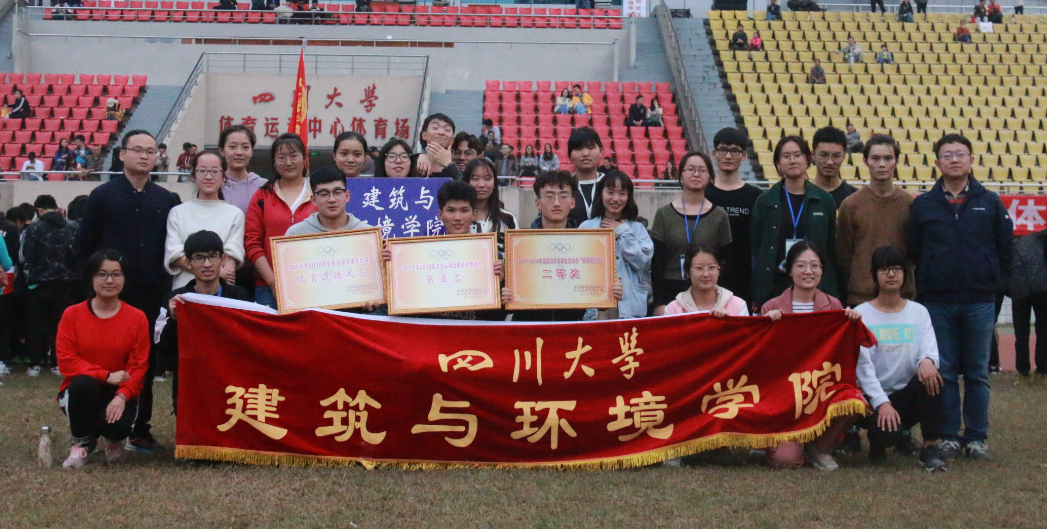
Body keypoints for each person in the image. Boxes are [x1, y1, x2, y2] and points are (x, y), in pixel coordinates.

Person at [907, 133, 1013, 461]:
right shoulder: (924, 204)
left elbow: (1004, 248)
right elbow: (914, 250)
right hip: (937, 302)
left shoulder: (990, 202)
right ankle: (950, 436)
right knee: (947, 371)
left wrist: (992, 284)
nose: (954, 159)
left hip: (979, 300)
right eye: (948, 154)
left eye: (960, 154)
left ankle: (977, 437)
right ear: (937, 163)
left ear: (971, 160)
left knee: (978, 372)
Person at [75, 130, 177, 453]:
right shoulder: (102, 196)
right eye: (138, 150)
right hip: (108, 295)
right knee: (101, 359)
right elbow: (84, 247)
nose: (145, 156)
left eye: (151, 151)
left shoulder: (166, 199)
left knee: (143, 364)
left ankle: (138, 429)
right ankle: (92, 429)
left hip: (149, 295)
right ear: (122, 155)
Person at [760, 241, 862, 471]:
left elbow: (843, 354)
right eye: (801, 265)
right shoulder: (771, 307)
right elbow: (760, 362)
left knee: (854, 400)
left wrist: (851, 323)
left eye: (815, 266)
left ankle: (819, 448)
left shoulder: (834, 306)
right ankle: (789, 444)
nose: (808, 271)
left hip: (820, 389)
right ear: (789, 270)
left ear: (822, 270)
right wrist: (766, 328)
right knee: (787, 461)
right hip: (784, 396)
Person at [855, 245, 947, 472]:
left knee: (933, 380)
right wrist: (882, 403)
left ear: (905, 274)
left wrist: (927, 361)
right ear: (874, 274)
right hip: (873, 399)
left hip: (907, 395)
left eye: (897, 269)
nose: (891, 274)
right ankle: (878, 442)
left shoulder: (918, 312)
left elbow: (929, 350)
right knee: (887, 434)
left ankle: (930, 447)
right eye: (884, 269)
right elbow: (863, 369)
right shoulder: (861, 314)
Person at [56, 250, 150, 469]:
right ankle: (81, 443)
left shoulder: (137, 317)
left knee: (117, 426)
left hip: (119, 390)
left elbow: (138, 366)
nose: (109, 281)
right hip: (83, 390)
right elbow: (66, 360)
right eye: (102, 274)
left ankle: (113, 439)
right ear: (91, 277)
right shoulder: (72, 314)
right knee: (83, 385)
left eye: (116, 274)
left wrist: (122, 396)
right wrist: (105, 375)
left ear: (124, 278)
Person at [156, 231, 252, 414]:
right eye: (199, 258)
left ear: (222, 259)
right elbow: (163, 352)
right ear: (188, 263)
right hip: (191, 382)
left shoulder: (240, 297)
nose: (207, 264)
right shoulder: (176, 299)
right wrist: (173, 320)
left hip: (233, 381)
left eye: (213, 257)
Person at [511, 171, 621, 322]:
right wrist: (506, 296)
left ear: (572, 202)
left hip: (571, 328)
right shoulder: (520, 246)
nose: (556, 203)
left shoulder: (587, 245)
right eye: (549, 196)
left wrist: (609, 292)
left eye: (563, 196)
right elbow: (512, 299)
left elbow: (597, 301)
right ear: (538, 203)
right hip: (529, 328)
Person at [750, 135, 839, 308]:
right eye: (786, 156)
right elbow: (757, 245)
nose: (792, 160)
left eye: (797, 155)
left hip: (815, 284)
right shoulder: (765, 201)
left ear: (807, 159)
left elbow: (830, 247)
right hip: (775, 284)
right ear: (778, 163)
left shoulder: (824, 200)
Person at [837, 135, 915, 307]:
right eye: (875, 158)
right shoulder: (850, 205)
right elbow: (844, 256)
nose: (881, 164)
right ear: (865, 161)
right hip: (861, 299)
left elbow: (914, 252)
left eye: (888, 158)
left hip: (902, 299)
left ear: (897, 161)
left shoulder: (910, 205)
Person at [650, 151, 733, 314]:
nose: (696, 174)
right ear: (681, 174)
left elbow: (726, 262)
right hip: (671, 292)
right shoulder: (664, 214)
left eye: (702, 170)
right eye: (690, 169)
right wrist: (659, 302)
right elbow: (657, 264)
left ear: (710, 176)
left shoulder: (719, 216)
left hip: (708, 293)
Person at [244, 133, 317, 310]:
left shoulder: (319, 194)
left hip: (314, 283)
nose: (288, 162)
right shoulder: (262, 196)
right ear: (274, 163)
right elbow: (252, 242)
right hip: (267, 287)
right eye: (281, 157)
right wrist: (272, 282)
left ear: (305, 159)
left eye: (294, 156)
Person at [164, 150, 245, 290]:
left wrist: (221, 274)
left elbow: (232, 255)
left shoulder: (235, 214)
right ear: (193, 176)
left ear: (223, 176)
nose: (208, 176)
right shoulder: (177, 212)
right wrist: (217, 272)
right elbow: (174, 254)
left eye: (215, 171)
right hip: (184, 290)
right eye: (202, 171)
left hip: (220, 290)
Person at [580, 171, 654, 320]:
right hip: (595, 309)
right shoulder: (587, 227)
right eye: (610, 192)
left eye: (622, 193)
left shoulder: (638, 229)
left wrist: (622, 231)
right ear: (601, 194)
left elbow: (641, 262)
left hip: (630, 309)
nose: (616, 199)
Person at [21, 194, 80, 377]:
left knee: (36, 324)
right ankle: (57, 362)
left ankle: (36, 363)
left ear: (39, 209)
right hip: (66, 283)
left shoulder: (34, 228)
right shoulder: (72, 227)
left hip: (40, 283)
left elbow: (27, 255)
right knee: (61, 325)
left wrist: (30, 276)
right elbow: (78, 255)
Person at [706, 128, 763, 310]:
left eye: (735, 151)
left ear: (744, 156)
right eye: (723, 150)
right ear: (714, 153)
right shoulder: (704, 194)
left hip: (744, 278)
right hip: (708, 277)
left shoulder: (755, 196)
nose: (728, 156)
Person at [664, 245, 748, 316]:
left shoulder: (738, 305)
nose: (706, 274)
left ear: (719, 270)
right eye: (699, 268)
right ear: (687, 272)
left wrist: (730, 322)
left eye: (712, 267)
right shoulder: (672, 310)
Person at [285, 167, 371, 236]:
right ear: (314, 200)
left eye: (337, 192)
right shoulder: (296, 233)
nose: (331, 199)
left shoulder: (367, 233)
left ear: (347, 196)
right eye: (324, 194)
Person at [1008, 230, 1047, 376]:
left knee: (1021, 334)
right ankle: (1043, 367)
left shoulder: (1010, 244)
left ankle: (1023, 369)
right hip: (1041, 288)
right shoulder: (1037, 239)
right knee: (1043, 331)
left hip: (1019, 290)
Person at [465, 158, 519, 249]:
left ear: (494, 183)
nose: (481, 185)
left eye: (487, 179)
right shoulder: (457, 218)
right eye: (475, 179)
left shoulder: (508, 219)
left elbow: (517, 252)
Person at [220, 125, 267, 215]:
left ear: (252, 151)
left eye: (245, 147)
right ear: (222, 150)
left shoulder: (264, 186)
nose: (239, 152)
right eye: (232, 147)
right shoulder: (215, 185)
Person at [566, 127, 606, 226]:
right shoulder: (562, 186)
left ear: (601, 152)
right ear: (570, 155)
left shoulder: (611, 184)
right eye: (578, 149)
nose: (585, 154)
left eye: (590, 148)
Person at [811, 127, 858, 207]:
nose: (830, 162)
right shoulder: (801, 195)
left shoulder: (855, 197)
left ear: (844, 156)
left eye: (836, 156)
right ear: (813, 155)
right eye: (824, 155)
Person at [414, 113, 463, 180]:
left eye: (447, 130)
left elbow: (465, 185)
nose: (441, 132)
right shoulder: (411, 163)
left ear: (452, 140)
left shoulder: (460, 165)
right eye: (435, 128)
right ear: (424, 135)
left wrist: (449, 164)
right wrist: (420, 155)